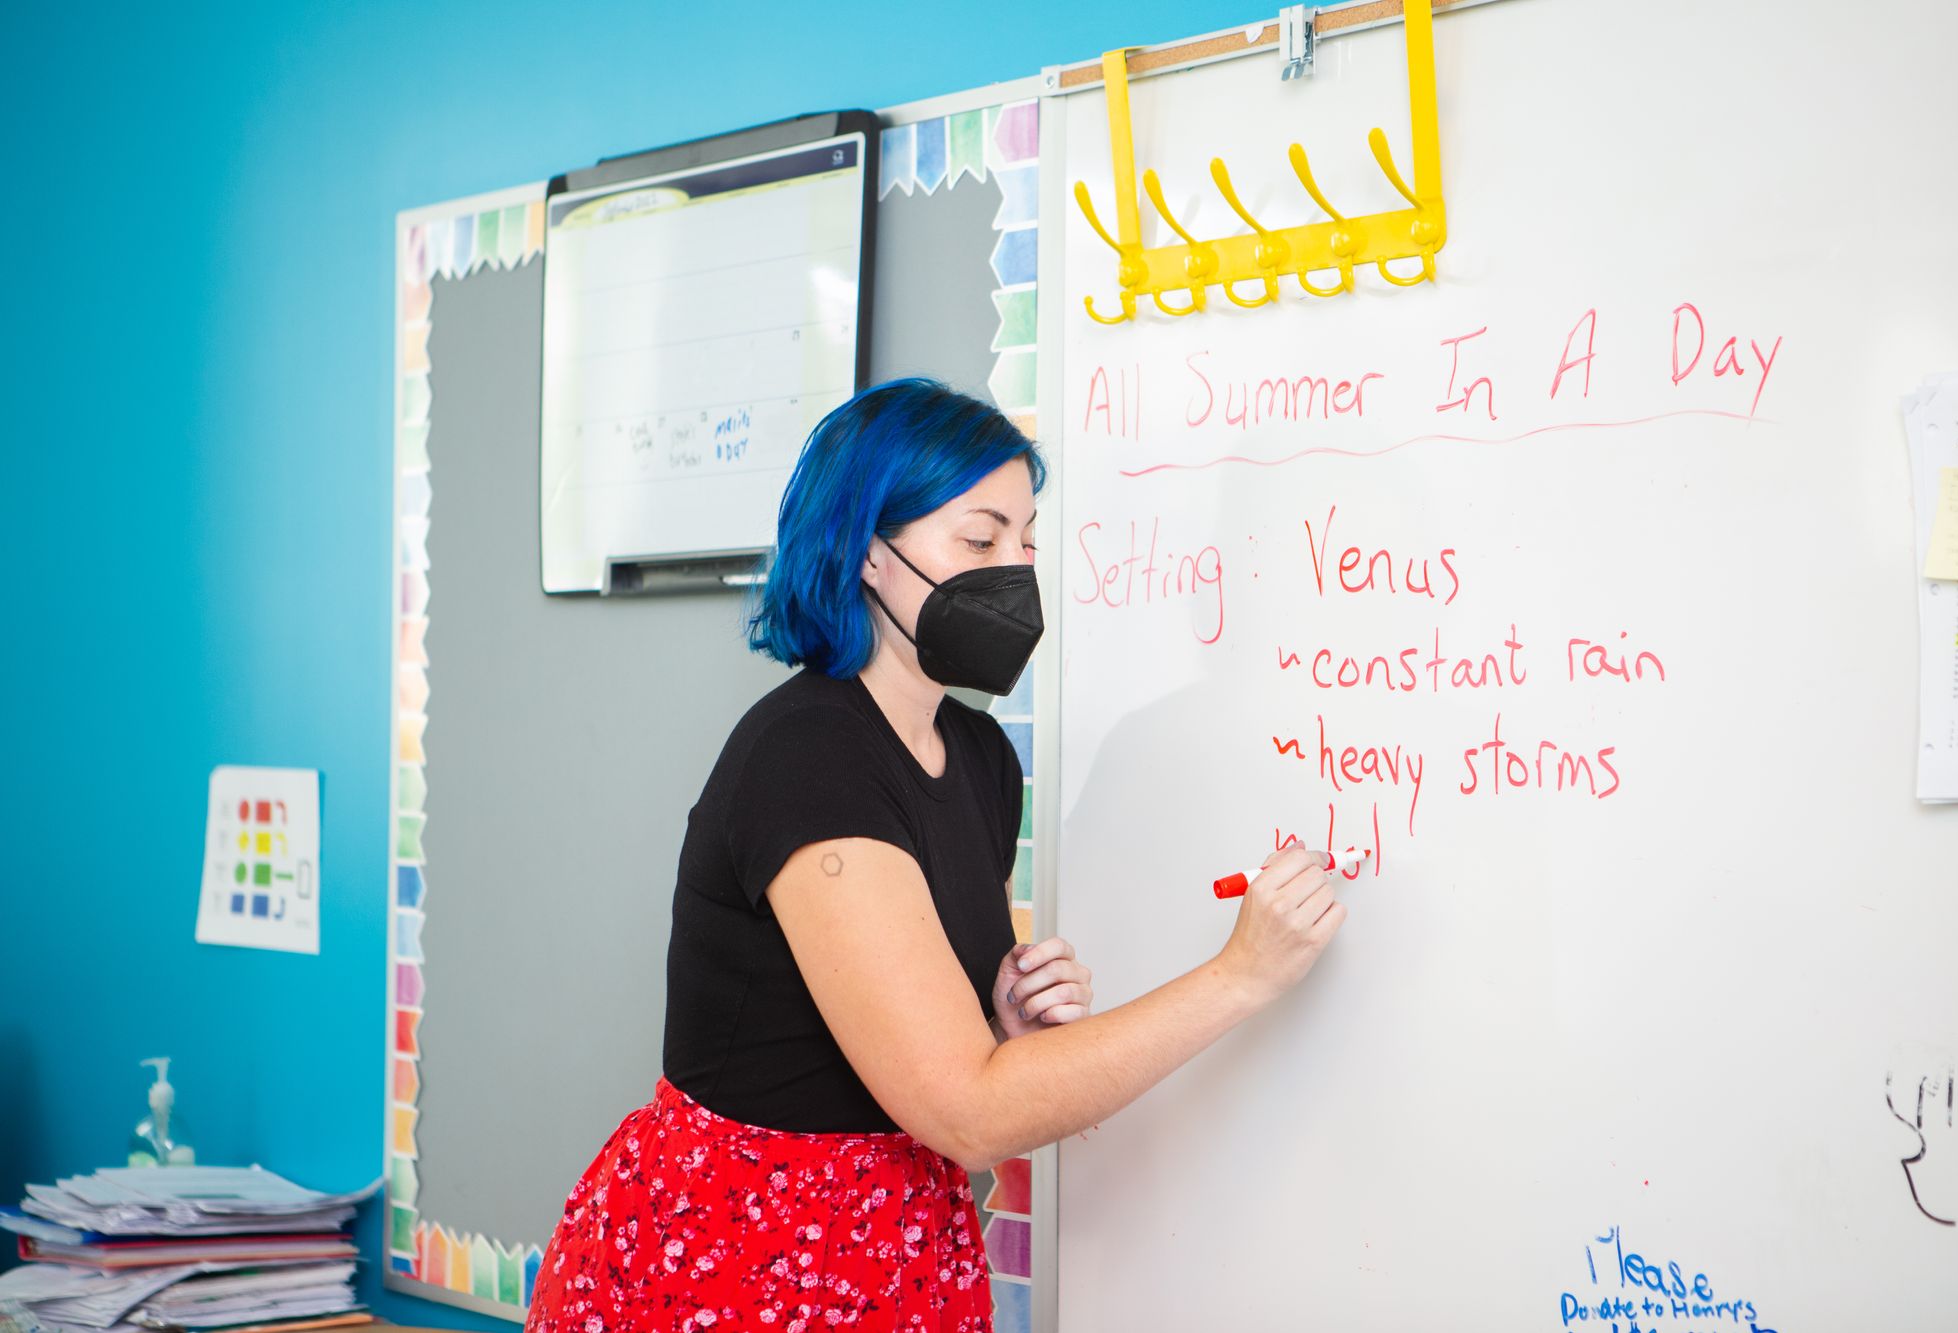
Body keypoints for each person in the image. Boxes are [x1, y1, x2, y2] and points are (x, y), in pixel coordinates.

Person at [523, 379, 1346, 1333]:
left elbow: (929, 1061)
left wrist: (1003, 1029)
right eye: (980, 537)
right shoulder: (808, 759)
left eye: (1028, 539)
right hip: (744, 1258)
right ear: (872, 551)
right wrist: (1240, 976)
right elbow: (968, 1112)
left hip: (899, 1245)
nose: (1016, 567)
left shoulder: (983, 756)